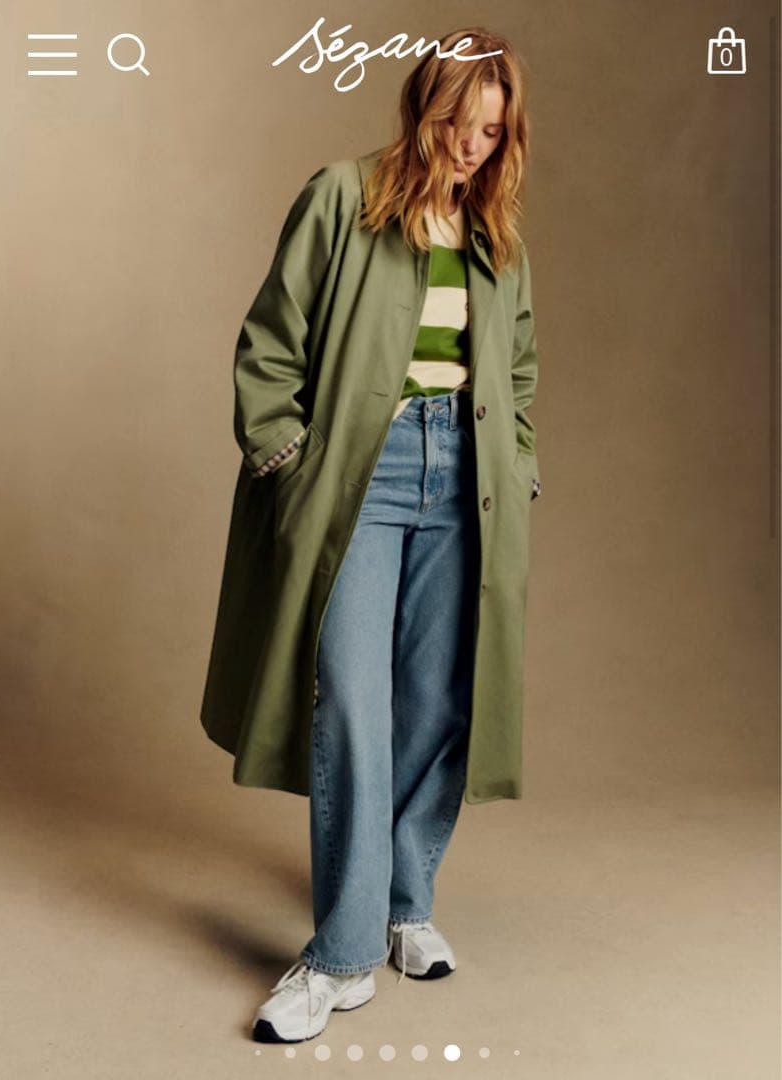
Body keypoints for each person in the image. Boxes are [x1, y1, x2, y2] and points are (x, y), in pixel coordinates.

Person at [200, 25, 542, 1044]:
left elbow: (517, 370)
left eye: (493, 130)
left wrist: (517, 463)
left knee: (437, 702)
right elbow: (272, 338)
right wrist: (284, 454)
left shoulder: (496, 236)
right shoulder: (343, 197)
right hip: (364, 472)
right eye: (460, 121)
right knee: (351, 704)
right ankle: (340, 956)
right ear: (423, 106)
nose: (473, 145)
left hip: (464, 481)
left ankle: (403, 902)